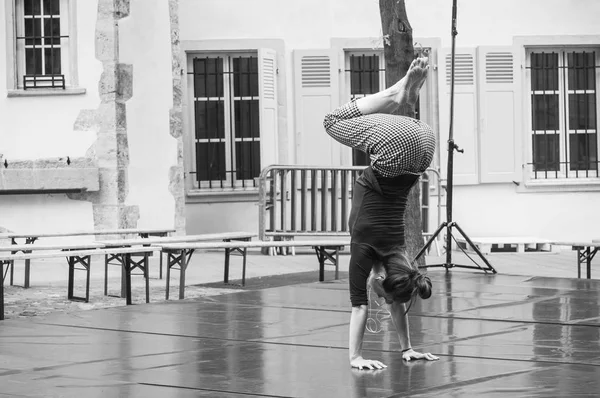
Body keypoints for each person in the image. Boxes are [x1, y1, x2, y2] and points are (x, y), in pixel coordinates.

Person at [323, 57, 439, 370]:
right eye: (383, 293)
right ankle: (397, 92)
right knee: (331, 121)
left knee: (402, 129)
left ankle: (407, 101)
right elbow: (359, 307)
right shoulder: (363, 250)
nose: (381, 299)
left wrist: (408, 349)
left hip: (423, 147)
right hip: (393, 152)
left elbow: (398, 302)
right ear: (384, 278)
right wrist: (355, 357)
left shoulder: (401, 257)